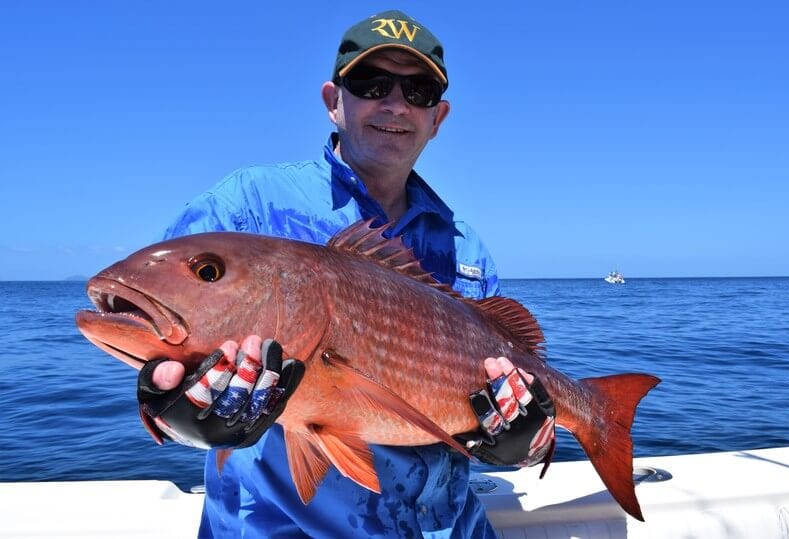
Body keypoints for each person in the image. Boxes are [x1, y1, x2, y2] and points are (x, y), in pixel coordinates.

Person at [138, 10, 555, 538]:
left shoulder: (463, 244)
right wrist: (174, 409)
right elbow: (160, 338)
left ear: (438, 118)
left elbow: (522, 416)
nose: (396, 104)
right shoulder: (249, 204)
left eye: (419, 90)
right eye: (371, 83)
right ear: (334, 102)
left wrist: (522, 440)